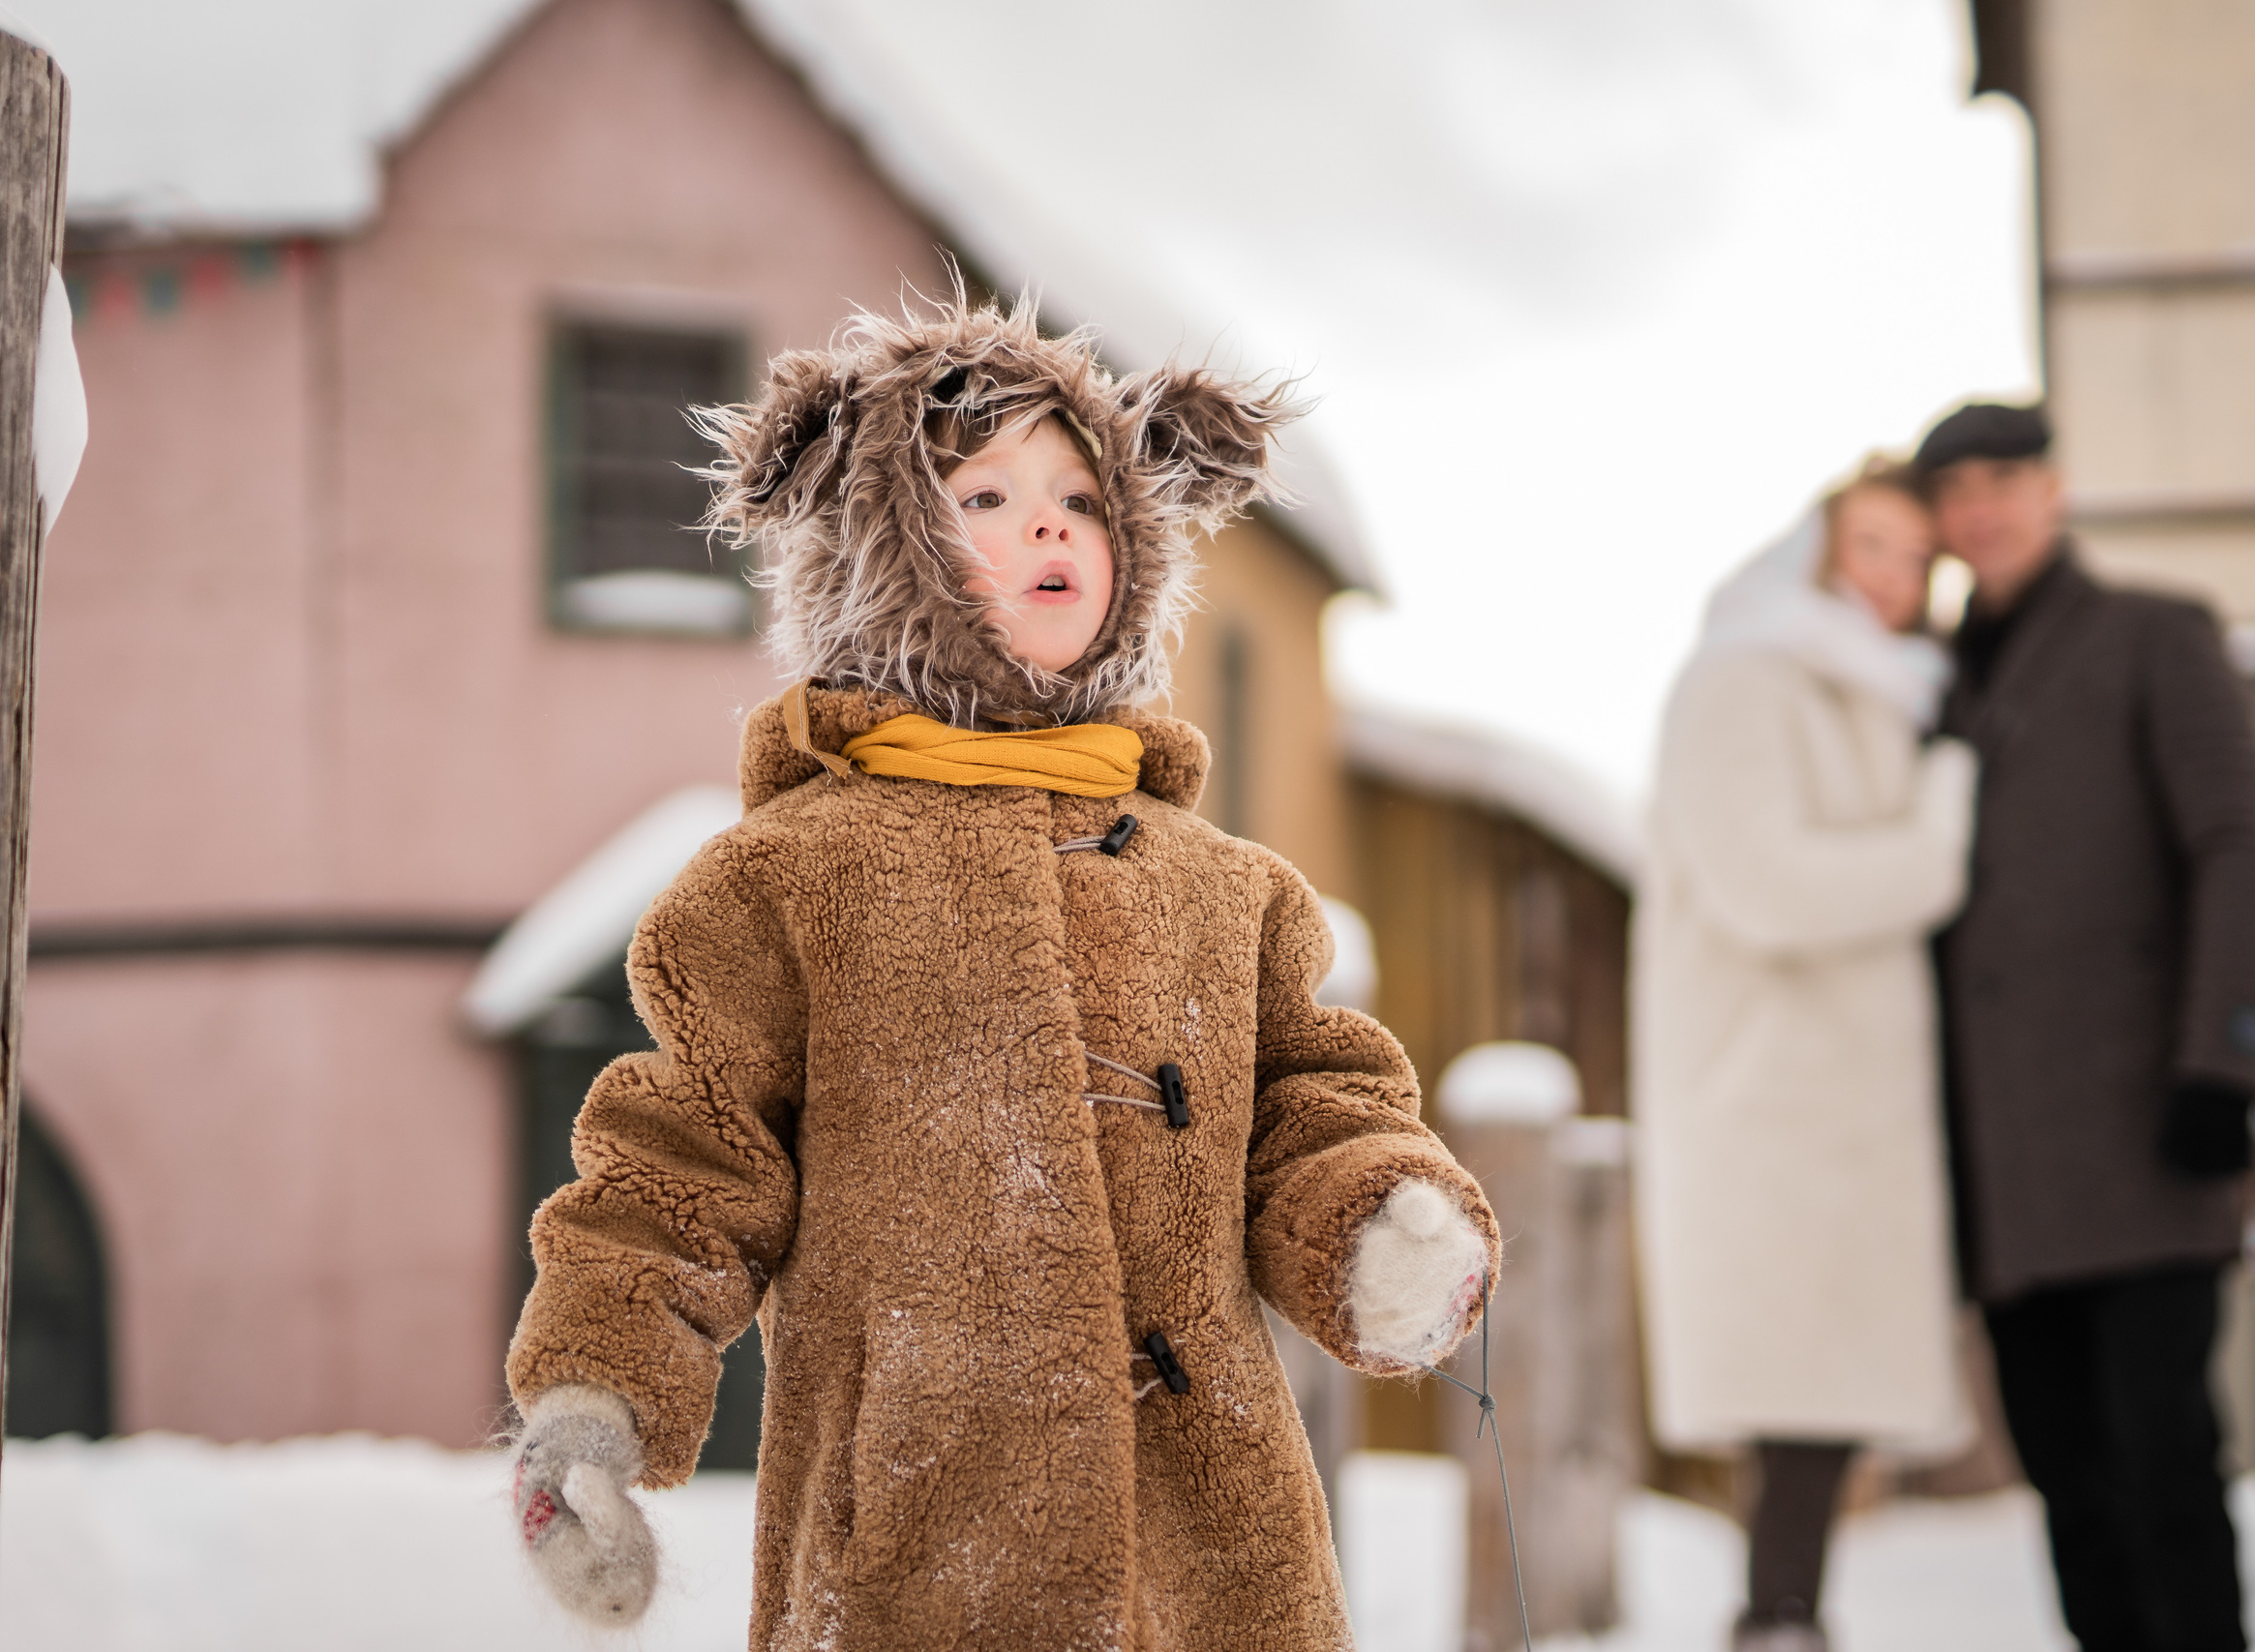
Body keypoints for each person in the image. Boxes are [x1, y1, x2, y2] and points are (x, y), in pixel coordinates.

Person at [499, 296, 1499, 1650]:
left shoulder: (1224, 885)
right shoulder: (793, 874)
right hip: (916, 1544)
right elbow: (681, 1159)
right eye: (985, 492)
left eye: (1083, 499)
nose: (1049, 526)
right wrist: (596, 1397)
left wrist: (1374, 1214)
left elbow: (1314, 1093)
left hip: (1211, 1559)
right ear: (875, 546)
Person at [1921, 403, 2255, 1652]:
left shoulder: (2155, 635)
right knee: (2070, 1485)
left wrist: (2224, 1056)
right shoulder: (1935, 681)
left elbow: (2240, 844)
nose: (1983, 506)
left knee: (2165, 1465)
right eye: (1957, 486)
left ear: (2054, 490)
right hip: (2006, 1170)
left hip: (2147, 1129)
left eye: (2005, 478)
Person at [1639, 458, 1980, 1652]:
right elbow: (1765, 885)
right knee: (1792, 1396)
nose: (1893, 577)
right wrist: (1938, 840)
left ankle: (1785, 1618)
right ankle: (1773, 1623)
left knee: (1819, 1404)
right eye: (1872, 545)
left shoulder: (1876, 691)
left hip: (1836, 1104)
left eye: (1914, 557)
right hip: (1769, 1096)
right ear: (1820, 546)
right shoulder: (1744, 677)